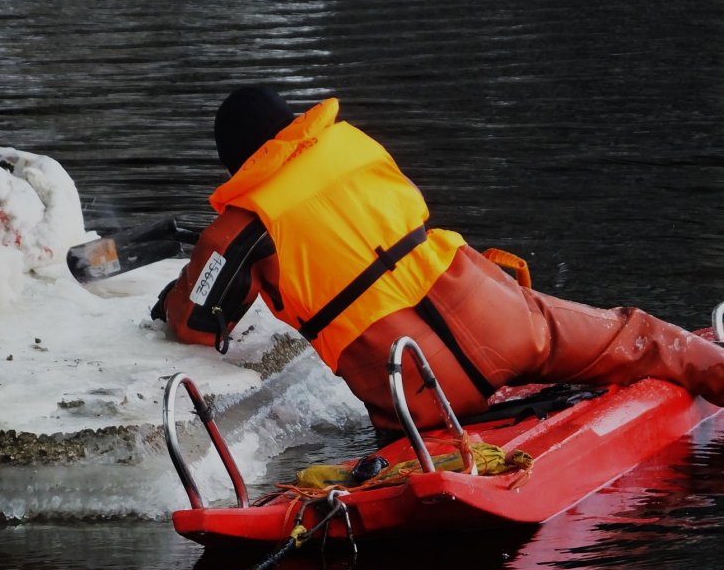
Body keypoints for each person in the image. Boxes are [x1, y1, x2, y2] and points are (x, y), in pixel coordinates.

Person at [152, 87, 724, 432]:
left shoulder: (241, 230)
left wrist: (175, 295)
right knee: (633, 337)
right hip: (497, 316)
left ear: (236, 164)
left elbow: (198, 323)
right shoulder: (353, 147)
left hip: (415, 385)